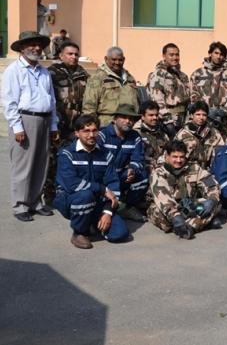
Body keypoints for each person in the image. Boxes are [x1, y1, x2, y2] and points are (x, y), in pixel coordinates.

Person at [2, 31, 59, 221]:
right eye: (31, 45)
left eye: (38, 45)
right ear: (22, 48)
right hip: (25, 120)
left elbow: (51, 100)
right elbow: (9, 102)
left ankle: (35, 202)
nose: (36, 48)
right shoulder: (14, 70)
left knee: (41, 164)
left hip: (44, 119)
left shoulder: (44, 71)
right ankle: (20, 206)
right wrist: (17, 127)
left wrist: (53, 125)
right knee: (23, 165)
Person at [53, 115, 129, 249]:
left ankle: (93, 222)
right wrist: (102, 189)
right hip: (70, 198)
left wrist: (107, 212)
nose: (91, 135)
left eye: (95, 130)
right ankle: (80, 232)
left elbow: (113, 183)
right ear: (76, 133)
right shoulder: (67, 154)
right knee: (85, 196)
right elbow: (72, 184)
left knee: (120, 234)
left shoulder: (106, 154)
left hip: (97, 201)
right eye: (86, 131)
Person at [43, 41, 90, 205]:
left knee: (74, 160)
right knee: (53, 160)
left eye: (76, 54)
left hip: (76, 125)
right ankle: (49, 195)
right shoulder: (51, 73)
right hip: (58, 123)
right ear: (61, 55)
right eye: (70, 54)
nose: (74, 57)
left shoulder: (82, 73)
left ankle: (71, 192)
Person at [148, 140, 222, 240]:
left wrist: (212, 199)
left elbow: (211, 185)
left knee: (214, 205)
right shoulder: (158, 173)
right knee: (163, 219)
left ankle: (190, 226)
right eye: (175, 157)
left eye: (182, 157)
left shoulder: (195, 168)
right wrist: (175, 216)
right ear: (167, 156)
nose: (179, 160)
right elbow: (164, 200)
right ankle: (202, 222)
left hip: (189, 205)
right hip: (167, 208)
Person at [98, 104, 149, 222]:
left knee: (143, 176)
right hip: (103, 179)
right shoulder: (103, 135)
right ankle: (105, 208)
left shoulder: (135, 137)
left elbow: (138, 159)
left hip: (121, 176)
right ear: (115, 119)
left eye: (131, 119)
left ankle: (127, 207)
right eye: (124, 117)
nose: (128, 121)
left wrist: (132, 169)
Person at [82, 46, 139, 125]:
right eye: (114, 59)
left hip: (129, 124)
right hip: (107, 126)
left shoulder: (129, 78)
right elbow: (89, 107)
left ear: (124, 59)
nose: (117, 62)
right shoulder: (97, 78)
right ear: (106, 59)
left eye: (120, 60)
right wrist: (92, 126)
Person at [146, 43, 190, 134]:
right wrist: (167, 121)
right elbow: (157, 100)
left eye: (177, 54)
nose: (175, 57)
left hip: (183, 120)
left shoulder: (182, 76)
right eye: (171, 55)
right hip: (168, 121)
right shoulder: (159, 74)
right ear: (164, 56)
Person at [190, 41, 227, 120]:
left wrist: (223, 111)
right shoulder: (198, 74)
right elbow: (193, 95)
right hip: (203, 117)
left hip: (224, 118)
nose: (218, 56)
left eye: (221, 54)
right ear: (210, 53)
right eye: (216, 53)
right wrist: (205, 111)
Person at [174, 101, 225, 169]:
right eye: (198, 114)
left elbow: (221, 155)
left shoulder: (214, 133)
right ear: (192, 115)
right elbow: (173, 155)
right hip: (187, 171)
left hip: (208, 171)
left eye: (204, 115)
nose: (201, 117)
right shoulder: (182, 134)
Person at [133, 100, 169, 174]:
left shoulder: (162, 131)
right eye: (151, 115)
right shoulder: (135, 133)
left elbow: (168, 150)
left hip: (162, 170)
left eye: (156, 115)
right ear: (142, 117)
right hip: (143, 171)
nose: (155, 118)